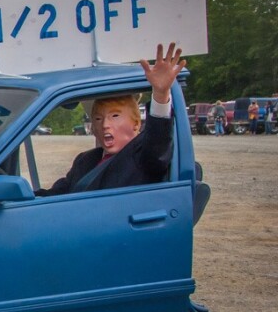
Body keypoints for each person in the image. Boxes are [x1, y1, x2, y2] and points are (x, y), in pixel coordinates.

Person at [36, 42, 184, 196]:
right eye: (98, 119)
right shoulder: (85, 160)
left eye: (115, 116)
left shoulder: (142, 156)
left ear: (136, 124)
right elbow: (56, 195)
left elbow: (158, 144)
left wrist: (160, 94)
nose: (105, 125)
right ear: (93, 128)